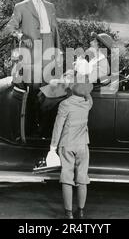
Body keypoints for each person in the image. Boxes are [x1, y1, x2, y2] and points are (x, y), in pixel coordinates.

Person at [5, 0, 61, 87]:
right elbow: (10, 28)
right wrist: (22, 36)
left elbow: (55, 32)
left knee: (49, 86)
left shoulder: (51, 7)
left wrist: (58, 52)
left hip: (49, 50)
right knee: (32, 86)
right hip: (30, 52)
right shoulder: (21, 7)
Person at [50, 82, 94, 219]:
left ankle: (68, 213)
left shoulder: (65, 104)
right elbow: (89, 97)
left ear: (71, 90)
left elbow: (58, 126)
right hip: (83, 145)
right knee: (82, 179)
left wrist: (53, 147)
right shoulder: (87, 104)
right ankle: (80, 211)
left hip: (67, 144)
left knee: (67, 178)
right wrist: (86, 91)